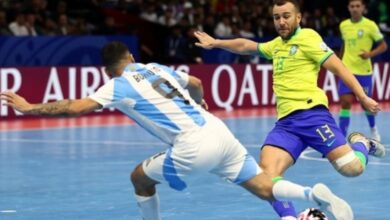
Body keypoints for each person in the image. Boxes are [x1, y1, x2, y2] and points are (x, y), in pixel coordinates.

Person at [1, 41, 353, 220]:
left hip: (192, 146)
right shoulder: (155, 67)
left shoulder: (119, 84)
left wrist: (29, 107)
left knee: (139, 178)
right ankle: (313, 195)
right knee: (263, 187)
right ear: (130, 55)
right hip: (217, 130)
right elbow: (198, 81)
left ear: (108, 69)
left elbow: (76, 107)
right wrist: (200, 105)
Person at [194, 0, 386, 219]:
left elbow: (339, 67)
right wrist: (216, 42)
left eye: (286, 16)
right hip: (286, 125)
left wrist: (362, 96)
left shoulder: (309, 38)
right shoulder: (276, 45)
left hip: (313, 115)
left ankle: (362, 142)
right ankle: (289, 217)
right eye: (277, 17)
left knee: (352, 169)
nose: (281, 22)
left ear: (298, 18)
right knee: (266, 177)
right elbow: (246, 46)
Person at [338, 0, 388, 141]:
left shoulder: (370, 25)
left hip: (364, 72)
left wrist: (369, 54)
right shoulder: (344, 25)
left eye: (358, 6)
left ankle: (373, 129)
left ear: (363, 8)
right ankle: (341, 138)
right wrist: (338, 64)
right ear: (348, 8)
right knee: (345, 102)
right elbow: (344, 45)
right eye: (352, 6)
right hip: (347, 70)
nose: (355, 9)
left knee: (366, 104)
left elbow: (383, 46)